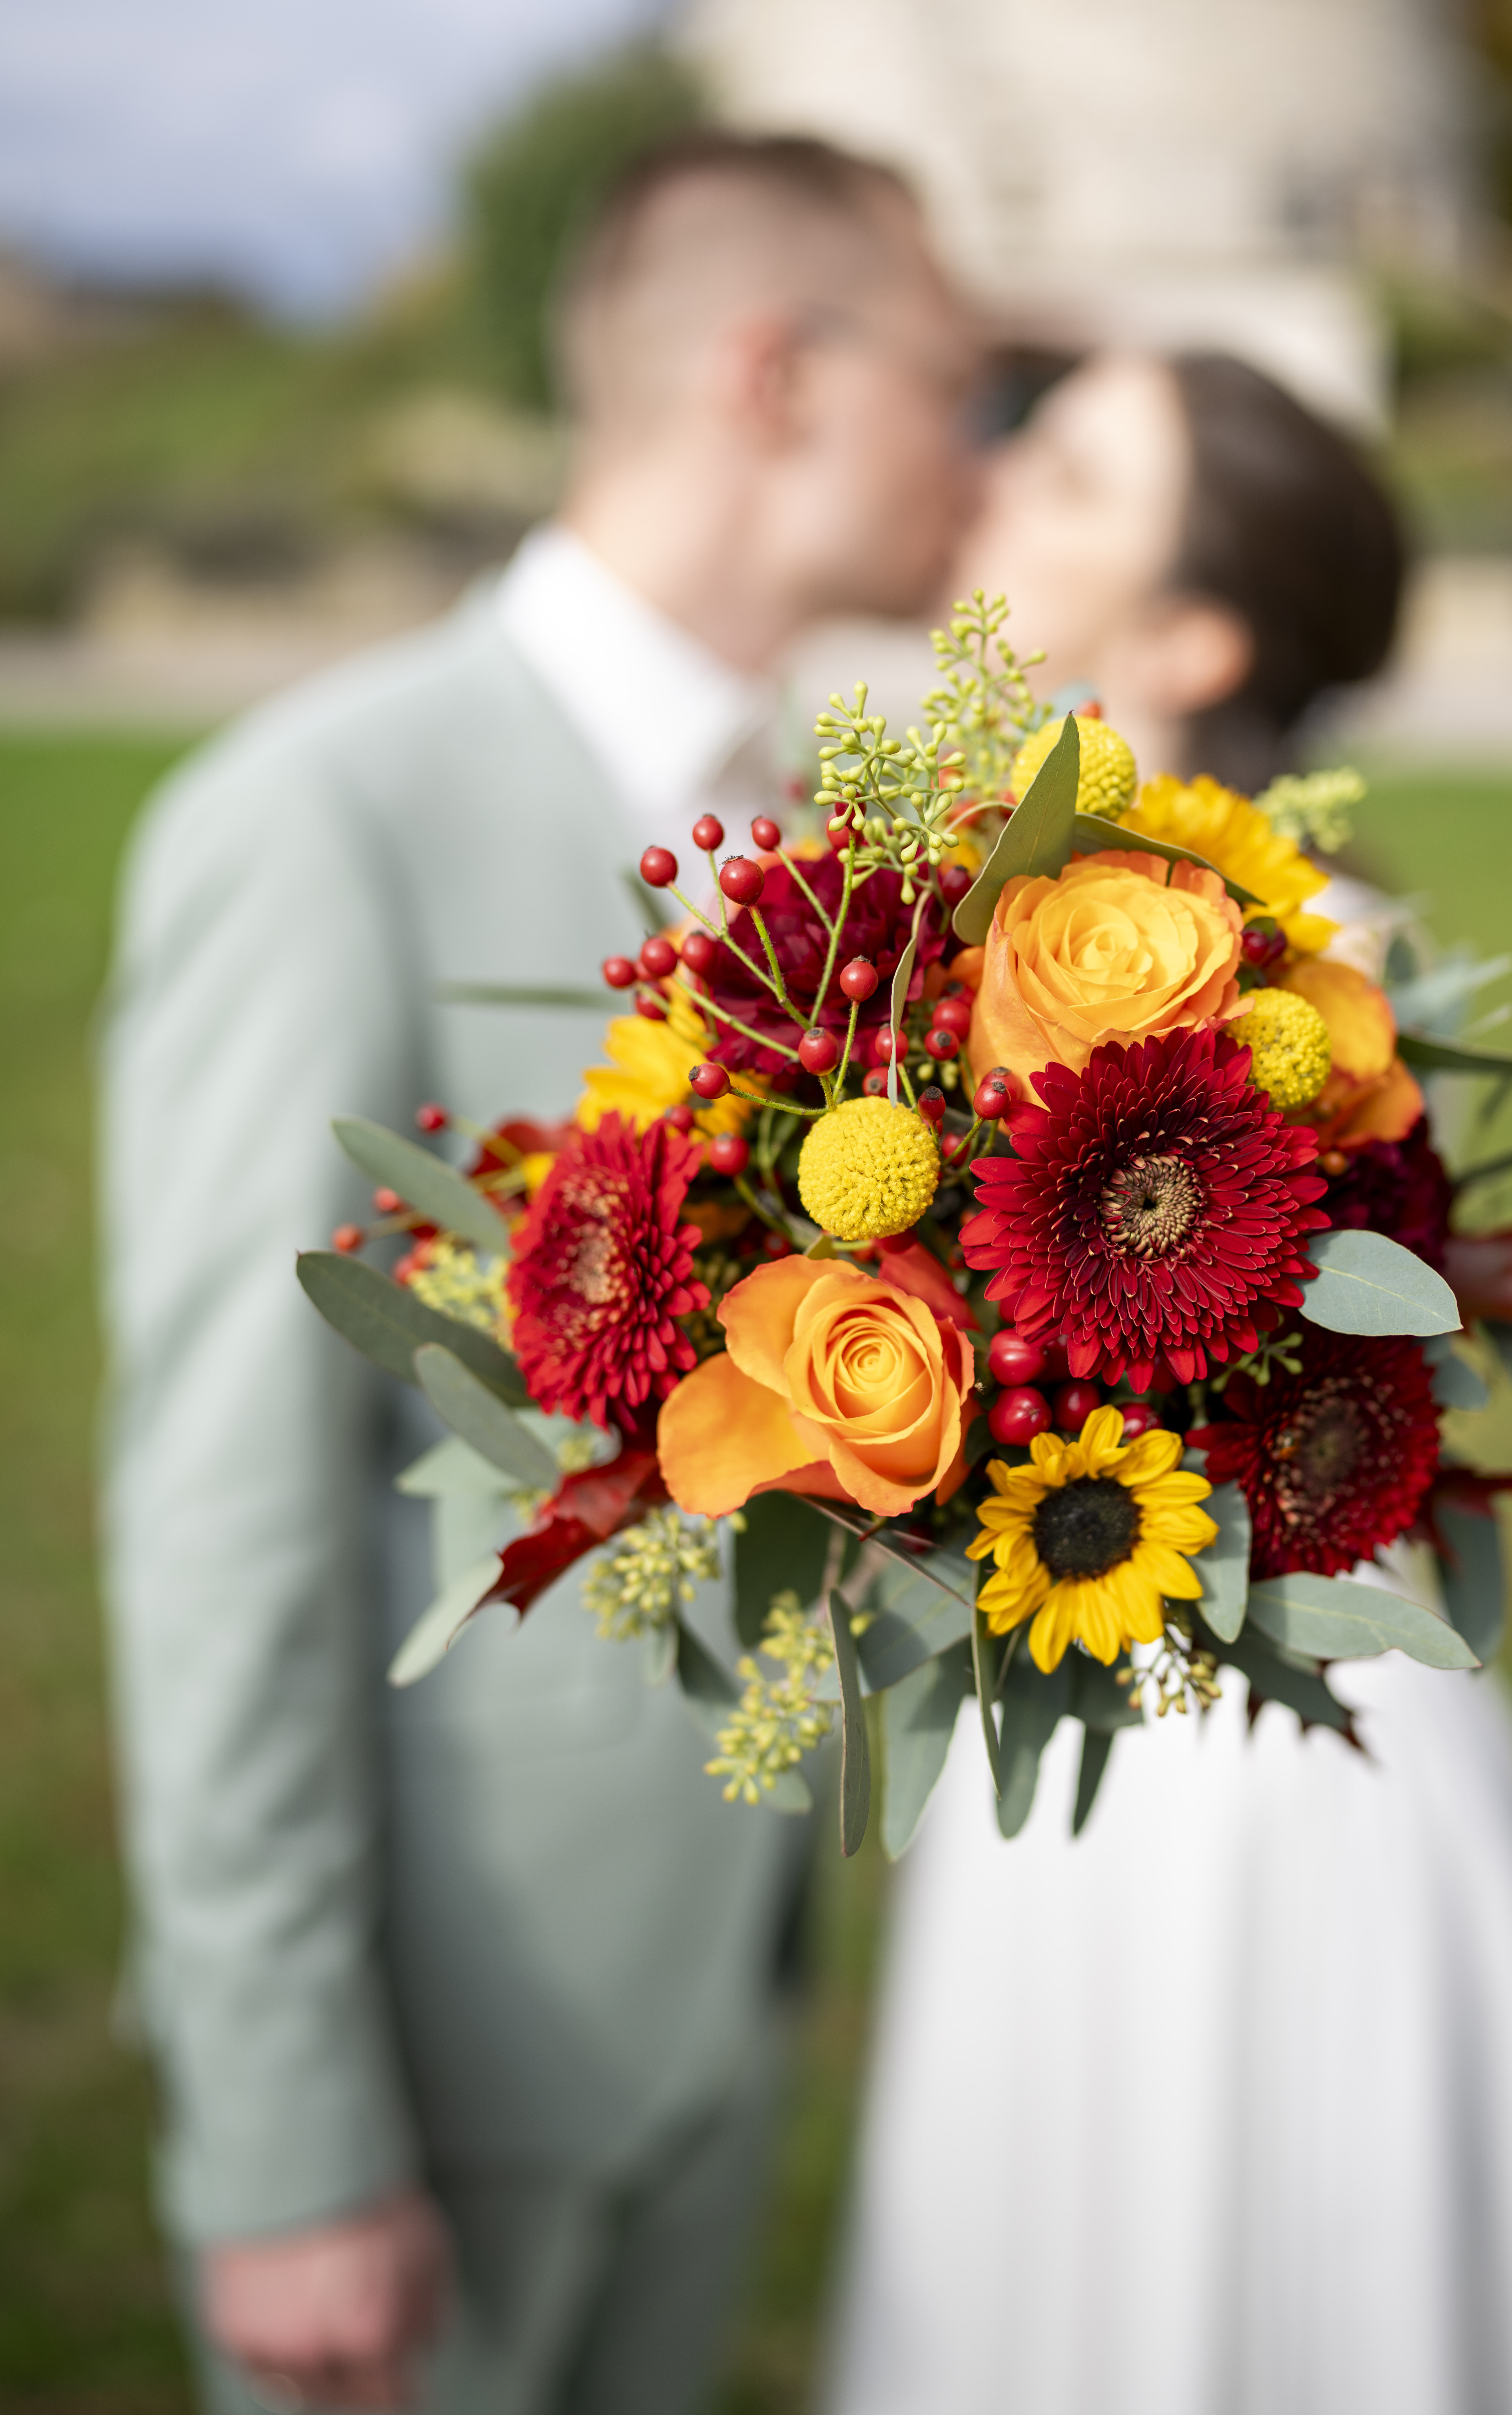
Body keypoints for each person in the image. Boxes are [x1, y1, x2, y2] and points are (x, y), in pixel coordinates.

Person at [99, 133, 978, 2415]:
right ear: (776, 376)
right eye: (956, 387)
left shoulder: (820, 825)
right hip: (445, 2046)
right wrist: (286, 2136)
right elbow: (224, 1507)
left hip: (718, 1989)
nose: (979, 460)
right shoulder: (323, 816)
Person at [824, 353, 1512, 2415]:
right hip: (1072, 1675)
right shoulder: (956, 925)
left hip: (1235, 1745)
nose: (996, 481)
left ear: (1191, 636)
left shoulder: (1300, 984)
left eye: (1070, 473)